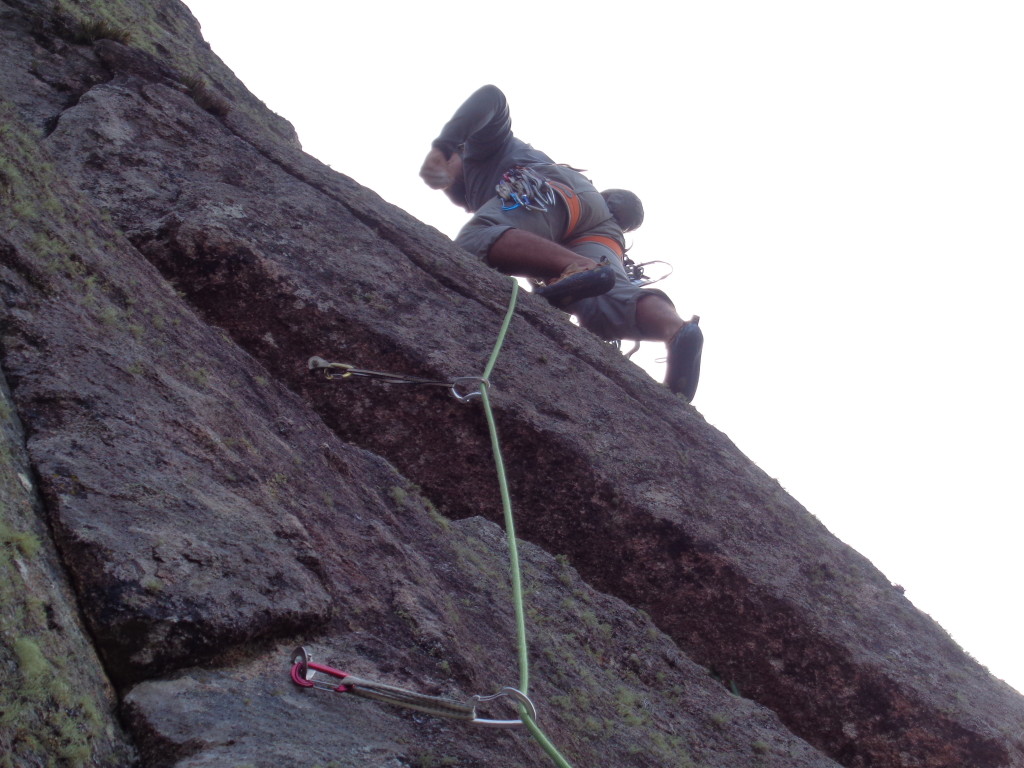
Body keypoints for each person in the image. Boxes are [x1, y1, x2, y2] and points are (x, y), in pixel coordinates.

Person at [420, 85, 702, 402]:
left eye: (446, 169)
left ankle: (578, 266)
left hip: (547, 188)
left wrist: (444, 144)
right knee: (601, 301)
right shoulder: (479, 191)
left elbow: (492, 97)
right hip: (598, 227)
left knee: (476, 239)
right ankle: (677, 330)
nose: (442, 178)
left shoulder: (485, 148)